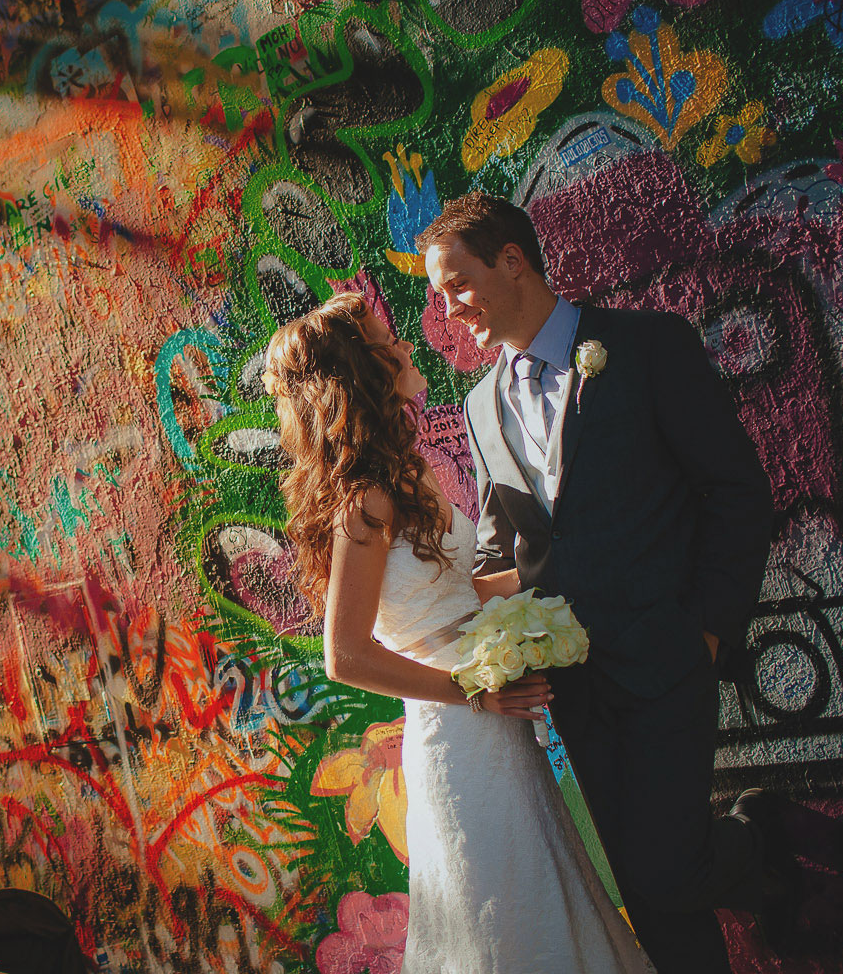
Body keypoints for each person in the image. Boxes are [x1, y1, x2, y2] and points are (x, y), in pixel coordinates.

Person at [421, 191, 789, 974]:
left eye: (456, 284)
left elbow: (736, 491)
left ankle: (762, 838)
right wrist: (476, 630)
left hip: (669, 656)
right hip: (575, 685)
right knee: (651, 902)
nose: (448, 309)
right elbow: (500, 543)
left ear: (512, 260)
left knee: (669, 870)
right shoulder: (480, 406)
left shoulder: (648, 345)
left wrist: (710, 629)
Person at [263, 292, 650, 972]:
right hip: (460, 732)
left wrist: (567, 566)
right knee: (504, 920)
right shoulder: (366, 503)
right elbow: (345, 656)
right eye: (388, 342)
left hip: (494, 720)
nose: (406, 347)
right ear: (360, 372)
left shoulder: (404, 479)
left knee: (539, 894)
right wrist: (471, 689)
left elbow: (467, 594)